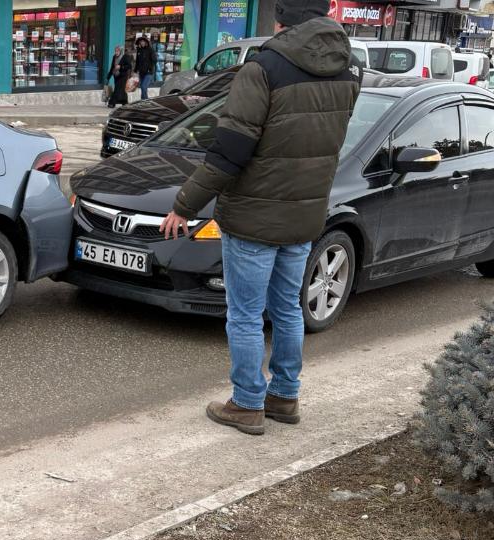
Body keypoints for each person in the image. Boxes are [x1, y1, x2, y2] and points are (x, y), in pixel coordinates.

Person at [159, 0, 361, 435]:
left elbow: (230, 150)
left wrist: (184, 205)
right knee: (287, 307)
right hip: (305, 212)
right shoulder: (348, 70)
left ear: (281, 19)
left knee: (246, 314)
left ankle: (247, 403)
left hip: (254, 214)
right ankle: (284, 396)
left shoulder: (264, 67)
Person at [134, 36, 156, 100]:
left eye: (143, 41)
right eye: (141, 42)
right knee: (142, 87)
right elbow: (137, 62)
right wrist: (135, 71)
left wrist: (150, 68)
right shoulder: (139, 50)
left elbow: (154, 60)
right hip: (141, 72)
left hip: (148, 72)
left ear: (146, 42)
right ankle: (143, 101)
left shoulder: (150, 50)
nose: (142, 43)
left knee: (143, 86)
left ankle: (146, 101)